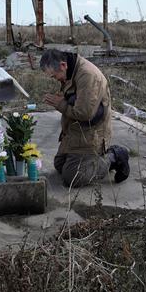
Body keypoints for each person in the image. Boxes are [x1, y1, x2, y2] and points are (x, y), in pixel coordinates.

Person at [41, 49, 130, 188]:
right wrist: (64, 99)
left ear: (63, 65)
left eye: (54, 76)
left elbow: (85, 113)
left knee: (72, 177)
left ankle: (114, 157)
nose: (55, 79)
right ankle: (97, 159)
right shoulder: (71, 70)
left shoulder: (88, 75)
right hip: (76, 130)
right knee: (60, 165)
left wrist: (60, 104)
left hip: (92, 132)